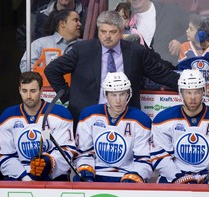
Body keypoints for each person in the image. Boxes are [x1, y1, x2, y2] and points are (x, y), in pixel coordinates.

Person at [44, 10, 180, 130]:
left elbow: (161, 74)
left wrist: (189, 85)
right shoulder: (83, 50)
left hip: (125, 118)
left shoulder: (135, 51)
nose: (107, 36)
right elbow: (52, 70)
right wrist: (67, 95)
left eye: (112, 32)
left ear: (121, 32)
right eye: (103, 32)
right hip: (87, 117)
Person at [0, 71, 76, 181]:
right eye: (24, 91)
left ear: (41, 90)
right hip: (19, 178)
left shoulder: (60, 114)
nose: (28, 96)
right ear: (19, 90)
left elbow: (67, 151)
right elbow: (4, 155)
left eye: (33, 91)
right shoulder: (8, 117)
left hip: (52, 177)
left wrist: (48, 163)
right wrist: (25, 178)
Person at [73, 72, 153, 182]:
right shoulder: (89, 115)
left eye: (122, 94)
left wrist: (135, 175)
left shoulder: (140, 120)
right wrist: (86, 169)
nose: (118, 100)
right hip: (96, 173)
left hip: (126, 174)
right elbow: (83, 152)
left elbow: (144, 159)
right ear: (105, 95)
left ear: (128, 94)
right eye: (113, 95)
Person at [151, 69, 209, 184]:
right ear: (181, 93)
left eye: (197, 92)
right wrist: (178, 176)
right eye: (188, 92)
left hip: (207, 175)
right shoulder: (164, 119)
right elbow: (159, 155)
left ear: (203, 92)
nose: (193, 97)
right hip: (176, 176)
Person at [129, 0, 189, 65]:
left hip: (167, 69)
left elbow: (197, 28)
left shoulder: (171, 11)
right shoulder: (123, 15)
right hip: (136, 69)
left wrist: (181, 41)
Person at [16, 0, 86, 52]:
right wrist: (35, 57)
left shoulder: (87, 16)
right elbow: (22, 35)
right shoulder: (39, 15)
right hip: (44, 68)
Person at [178, 14, 209, 81]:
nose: (187, 31)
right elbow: (182, 73)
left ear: (201, 34)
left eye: (191, 29)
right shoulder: (185, 48)